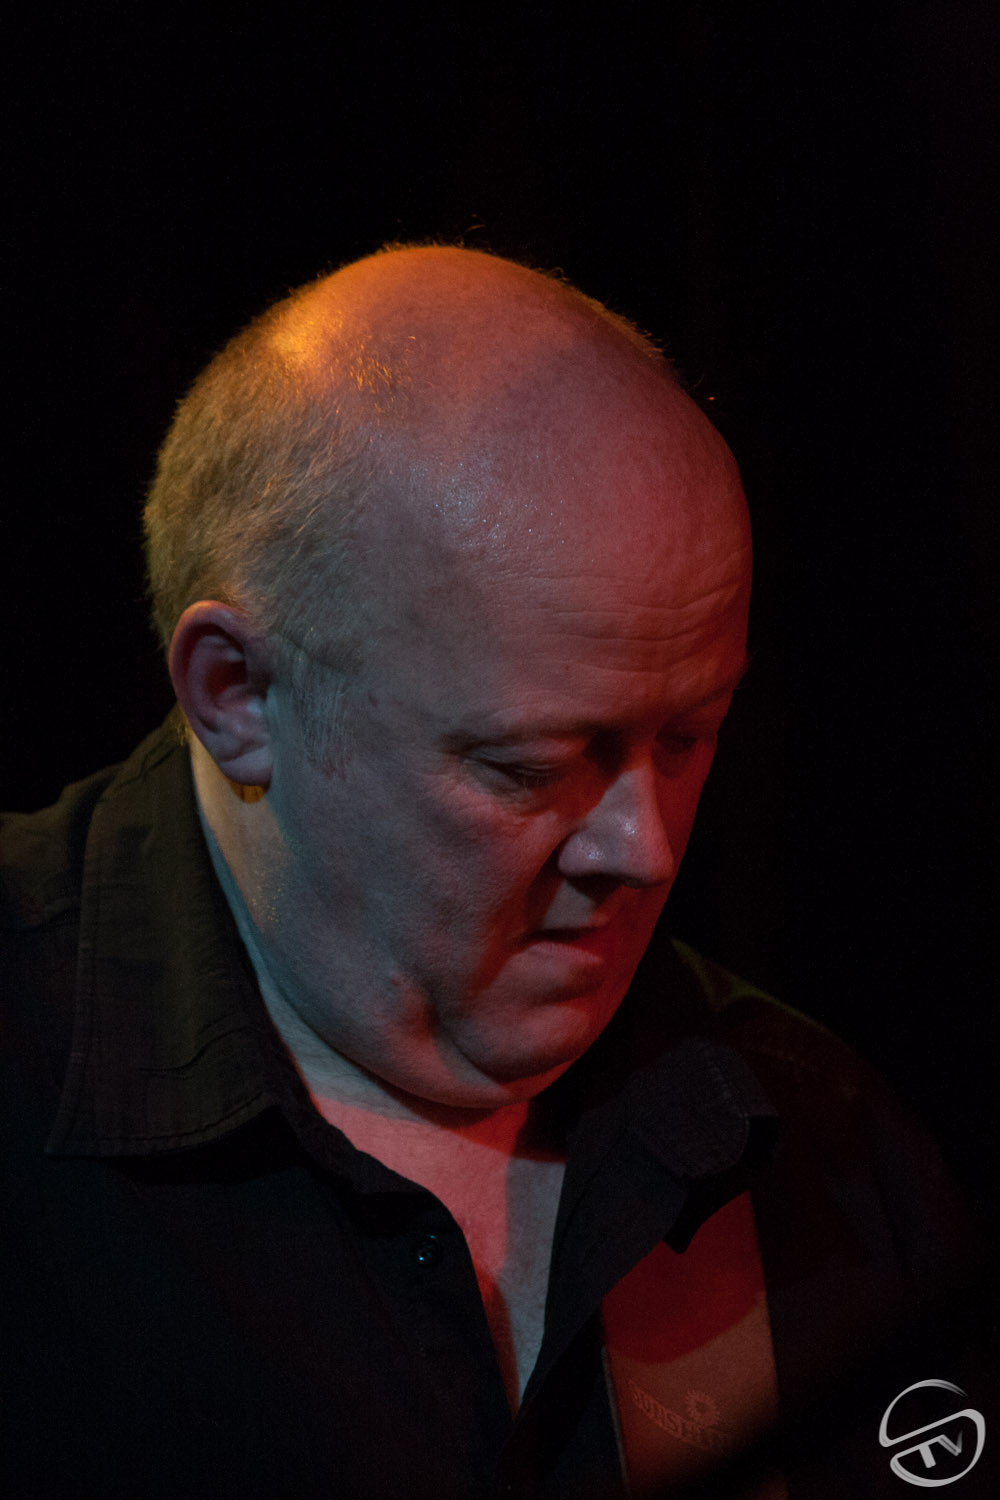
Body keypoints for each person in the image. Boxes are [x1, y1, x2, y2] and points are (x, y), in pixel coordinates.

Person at [1, 247, 988, 1498]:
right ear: (237, 695)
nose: (644, 849)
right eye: (531, 768)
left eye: (688, 737)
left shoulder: (826, 1152)